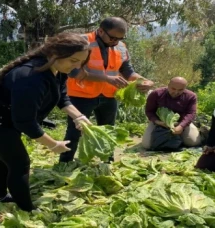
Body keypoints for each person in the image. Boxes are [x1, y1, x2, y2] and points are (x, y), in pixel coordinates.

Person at [0, 32, 92, 212]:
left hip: (6, 118)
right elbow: (25, 122)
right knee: (19, 163)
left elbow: (61, 96)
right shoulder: (31, 77)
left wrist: (78, 116)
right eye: (73, 60)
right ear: (55, 54)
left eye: (81, 61)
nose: (77, 66)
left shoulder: (57, 69)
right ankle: (27, 210)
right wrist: (53, 144)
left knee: (7, 157)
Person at [59, 17, 154, 163]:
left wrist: (144, 80)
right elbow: (74, 73)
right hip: (81, 95)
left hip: (109, 96)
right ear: (101, 30)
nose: (116, 41)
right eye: (113, 38)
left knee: (109, 130)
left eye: (120, 38)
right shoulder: (82, 42)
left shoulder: (121, 47)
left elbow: (128, 72)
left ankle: (107, 162)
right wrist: (107, 78)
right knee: (74, 132)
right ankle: (64, 163)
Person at [142, 77, 202, 149]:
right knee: (147, 145)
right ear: (168, 86)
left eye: (180, 90)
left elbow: (191, 114)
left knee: (193, 142)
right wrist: (158, 122)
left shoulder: (191, 96)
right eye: (173, 89)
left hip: (181, 122)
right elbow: (149, 111)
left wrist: (181, 126)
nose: (176, 92)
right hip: (159, 122)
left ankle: (179, 138)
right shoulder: (156, 94)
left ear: (185, 88)